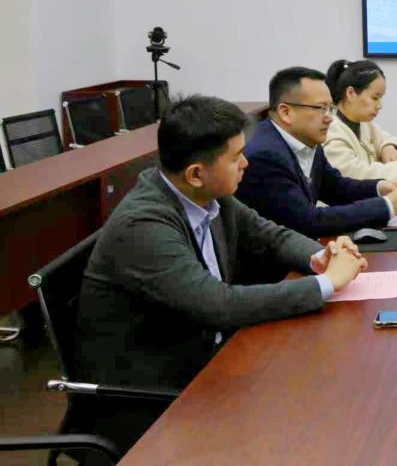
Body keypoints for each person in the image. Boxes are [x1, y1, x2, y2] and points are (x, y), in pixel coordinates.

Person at [75, 95, 368, 454]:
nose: (246, 163)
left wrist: (322, 256)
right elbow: (217, 305)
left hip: (206, 358)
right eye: (236, 157)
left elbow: (270, 236)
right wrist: (327, 282)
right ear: (196, 173)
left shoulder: (206, 195)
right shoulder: (144, 224)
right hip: (153, 396)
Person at [235, 66, 397, 238]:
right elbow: (307, 221)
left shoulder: (307, 140)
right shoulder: (265, 156)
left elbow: (336, 188)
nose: (329, 118)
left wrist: (380, 187)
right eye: (320, 108)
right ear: (286, 112)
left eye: (330, 108)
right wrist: (387, 206)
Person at [323, 58, 397, 182]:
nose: (380, 106)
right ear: (351, 93)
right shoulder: (330, 130)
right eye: (375, 98)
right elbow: (356, 173)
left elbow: (388, 138)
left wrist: (387, 146)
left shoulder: (366, 125)